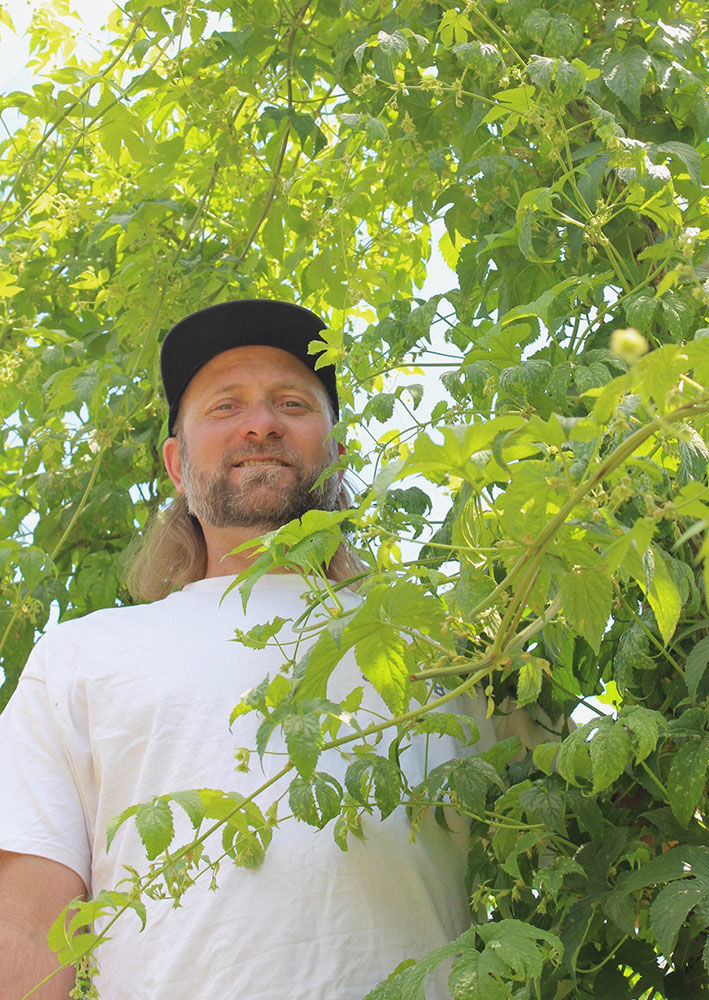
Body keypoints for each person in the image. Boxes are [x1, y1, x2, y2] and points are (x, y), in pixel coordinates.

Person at [0, 300, 499, 1000]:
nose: (261, 423)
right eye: (225, 405)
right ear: (177, 465)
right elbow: (25, 929)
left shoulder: (448, 650)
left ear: (339, 451)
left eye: (292, 403)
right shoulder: (80, 657)